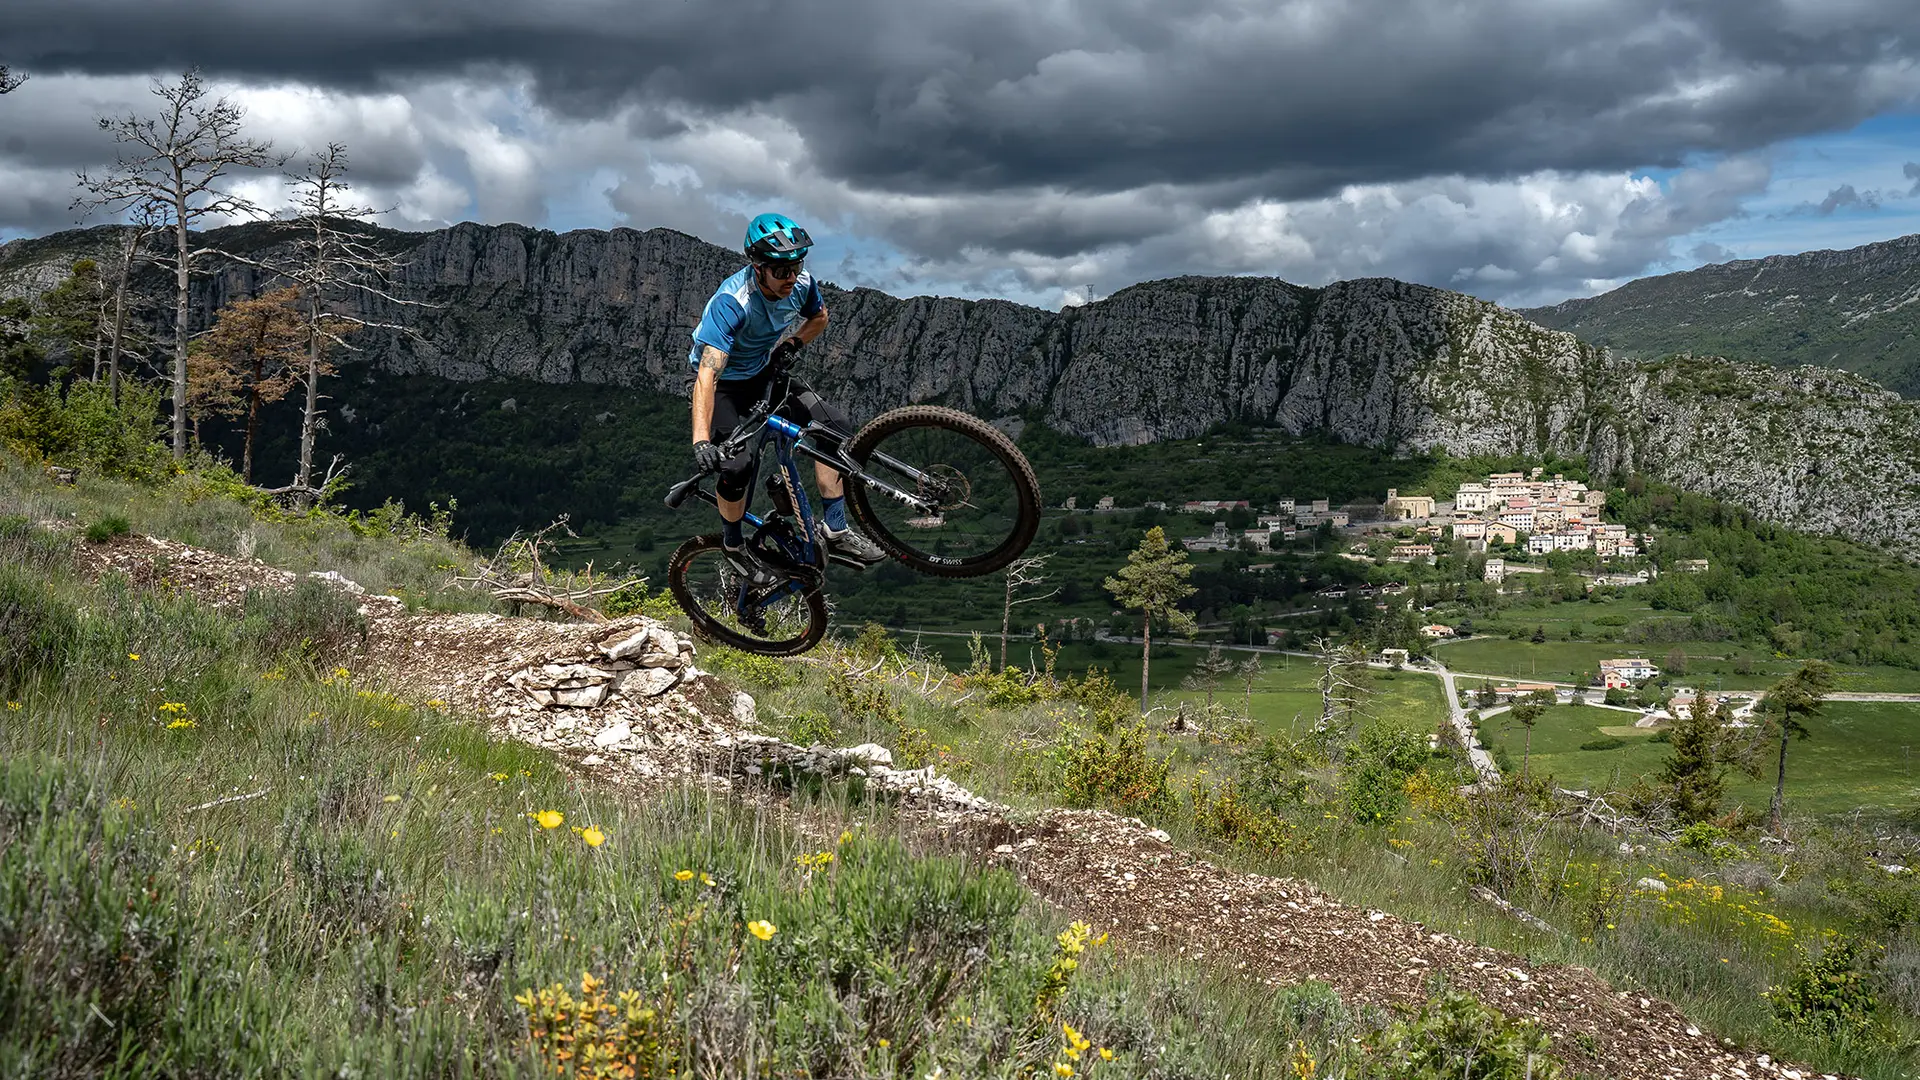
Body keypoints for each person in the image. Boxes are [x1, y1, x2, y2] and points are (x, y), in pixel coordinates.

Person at [688, 211, 883, 587]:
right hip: (724, 386)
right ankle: (733, 546)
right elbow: (707, 375)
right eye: (781, 271)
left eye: (796, 267)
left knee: (835, 426)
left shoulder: (801, 284)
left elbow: (819, 317)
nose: (790, 277)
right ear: (758, 268)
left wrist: (793, 343)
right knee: (738, 468)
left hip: (763, 374)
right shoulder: (733, 303)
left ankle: (835, 530)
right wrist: (701, 441)